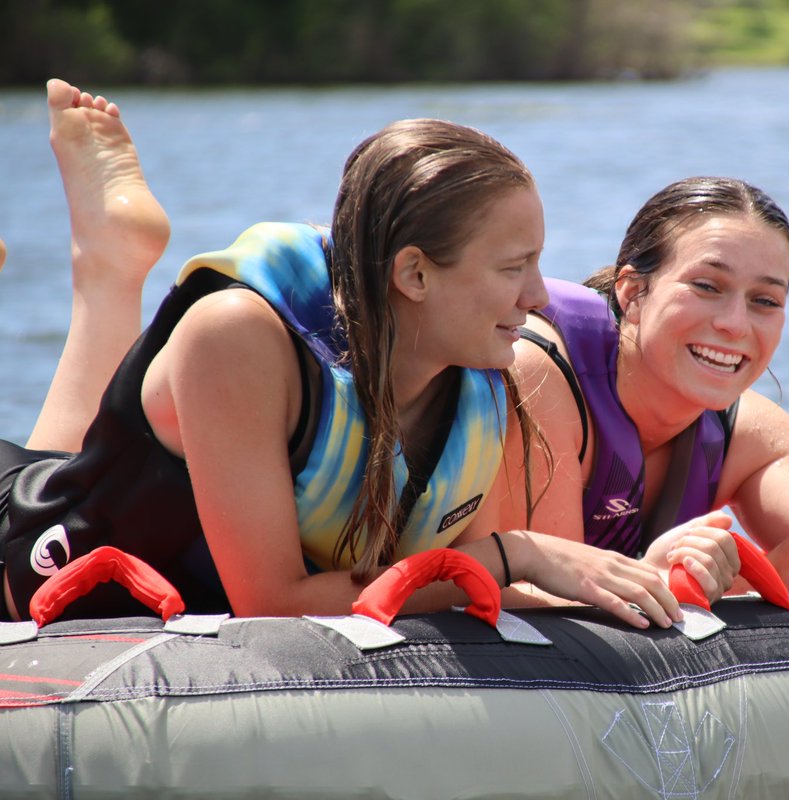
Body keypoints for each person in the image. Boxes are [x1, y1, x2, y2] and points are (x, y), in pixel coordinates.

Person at [0, 80, 690, 629]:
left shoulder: (488, 374)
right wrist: (517, 556)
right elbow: (271, 601)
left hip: (96, 471)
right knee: (57, 476)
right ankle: (109, 268)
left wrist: (643, 582)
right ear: (414, 274)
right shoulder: (240, 336)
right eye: (515, 267)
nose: (541, 297)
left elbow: (460, 584)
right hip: (33, 545)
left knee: (66, 454)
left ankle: (109, 264)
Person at [484, 177, 789, 618]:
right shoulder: (540, 377)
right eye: (707, 286)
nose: (734, 324)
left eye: (764, 301)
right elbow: (531, 596)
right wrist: (765, 577)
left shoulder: (748, 432)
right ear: (632, 293)